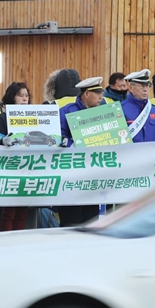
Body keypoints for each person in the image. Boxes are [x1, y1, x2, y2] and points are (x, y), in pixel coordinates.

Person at [57, 77, 106, 226]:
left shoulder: (104, 111)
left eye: (101, 92)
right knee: (71, 220)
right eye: (97, 93)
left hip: (94, 174)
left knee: (91, 220)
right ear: (86, 94)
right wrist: (75, 144)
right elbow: (59, 137)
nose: (101, 96)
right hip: (73, 175)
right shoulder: (66, 111)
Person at [0, 82, 31, 231]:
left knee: (23, 210)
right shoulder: (3, 117)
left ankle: (18, 244)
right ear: (12, 98)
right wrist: (2, 140)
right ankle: (6, 244)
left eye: (26, 96)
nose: (24, 99)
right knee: (10, 210)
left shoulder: (34, 116)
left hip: (29, 166)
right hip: (10, 165)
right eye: (20, 95)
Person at [121, 69, 155, 142]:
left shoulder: (153, 110)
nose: (145, 89)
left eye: (147, 85)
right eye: (142, 86)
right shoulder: (121, 109)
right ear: (131, 88)